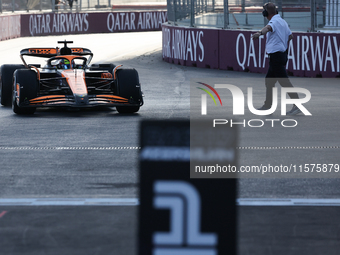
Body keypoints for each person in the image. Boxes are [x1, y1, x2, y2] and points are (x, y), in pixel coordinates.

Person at [252, 2, 301, 115]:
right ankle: (268, 106)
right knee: (269, 81)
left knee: (284, 81)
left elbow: (268, 28)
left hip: (276, 56)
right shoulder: (282, 21)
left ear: (266, 13)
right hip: (281, 54)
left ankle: (297, 105)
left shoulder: (273, 21)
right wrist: (282, 43)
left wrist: (259, 33)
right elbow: (290, 36)